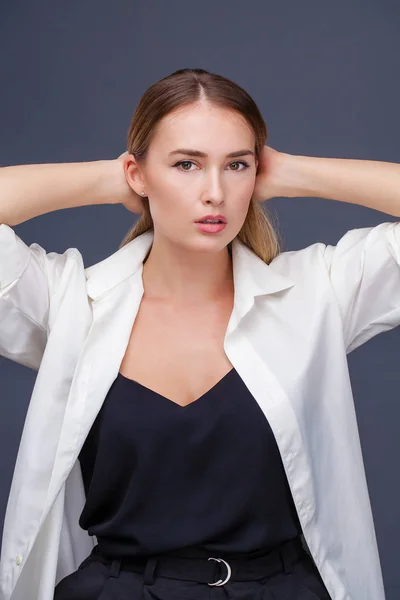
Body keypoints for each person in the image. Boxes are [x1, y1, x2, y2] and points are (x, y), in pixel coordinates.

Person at [0, 68, 399, 600]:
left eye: (236, 165)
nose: (215, 192)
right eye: (186, 164)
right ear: (138, 174)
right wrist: (110, 177)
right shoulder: (73, 302)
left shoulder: (315, 293)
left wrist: (292, 170)